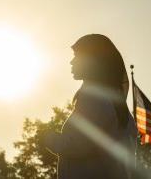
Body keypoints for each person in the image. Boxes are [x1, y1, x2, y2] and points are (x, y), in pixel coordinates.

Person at [40, 34, 137, 179]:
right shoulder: (117, 106)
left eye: (77, 56)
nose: (71, 62)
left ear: (93, 61)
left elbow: (78, 145)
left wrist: (47, 138)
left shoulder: (95, 99)